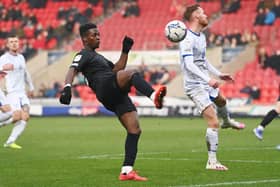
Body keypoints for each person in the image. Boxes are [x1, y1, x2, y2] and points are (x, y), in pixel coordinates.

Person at [59, 23, 166, 181]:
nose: (98, 37)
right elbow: (72, 69)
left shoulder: (99, 57)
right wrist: (67, 87)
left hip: (113, 94)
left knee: (134, 130)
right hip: (105, 86)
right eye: (94, 35)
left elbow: (116, 70)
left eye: (98, 34)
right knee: (131, 74)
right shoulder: (84, 54)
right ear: (84, 39)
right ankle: (153, 95)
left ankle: (126, 171)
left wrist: (125, 51)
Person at [179, 4, 245, 171]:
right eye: (201, 12)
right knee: (213, 121)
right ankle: (212, 162)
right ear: (194, 17)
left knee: (222, 100)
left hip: (204, 81)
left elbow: (203, 60)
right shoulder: (187, 38)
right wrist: (208, 80)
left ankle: (228, 121)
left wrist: (218, 74)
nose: (205, 14)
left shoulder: (200, 36)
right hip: (195, 85)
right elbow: (189, 64)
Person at [0, 34, 34, 149]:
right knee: (17, 116)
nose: (14, 43)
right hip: (12, 92)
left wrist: (31, 87)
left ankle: (10, 141)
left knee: (25, 116)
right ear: (8, 45)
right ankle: (2, 124)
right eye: (11, 42)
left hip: (22, 92)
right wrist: (3, 68)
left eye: (16, 41)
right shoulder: (4, 58)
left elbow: (25, 73)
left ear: (19, 44)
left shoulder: (21, 57)